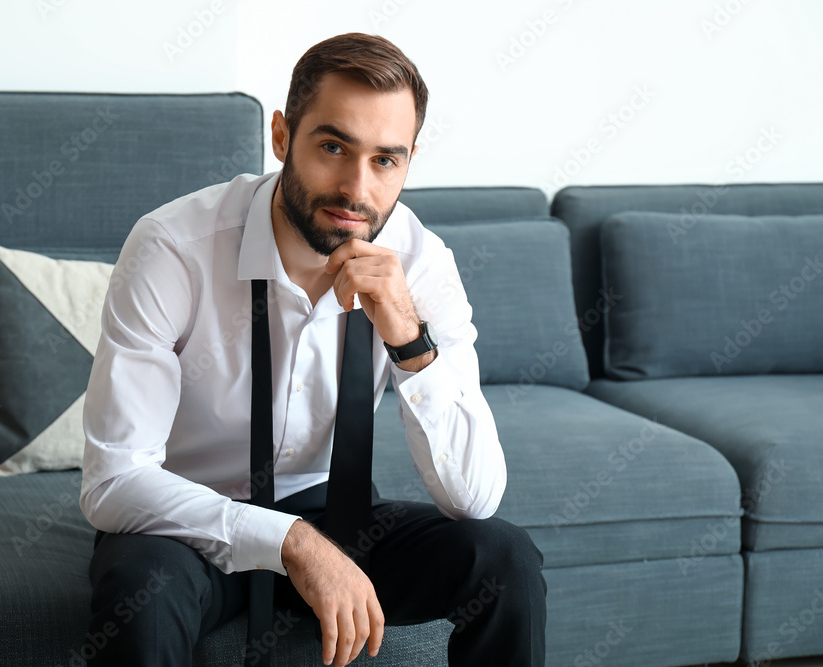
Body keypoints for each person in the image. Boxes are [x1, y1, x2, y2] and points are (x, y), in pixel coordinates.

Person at [79, 32, 546, 667]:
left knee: (506, 560)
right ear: (281, 137)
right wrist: (292, 542)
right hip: (187, 517)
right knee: (140, 587)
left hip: (341, 512)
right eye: (333, 147)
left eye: (386, 160)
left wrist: (409, 340)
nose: (357, 189)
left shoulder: (423, 264)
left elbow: (475, 499)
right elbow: (115, 481)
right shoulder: (173, 248)